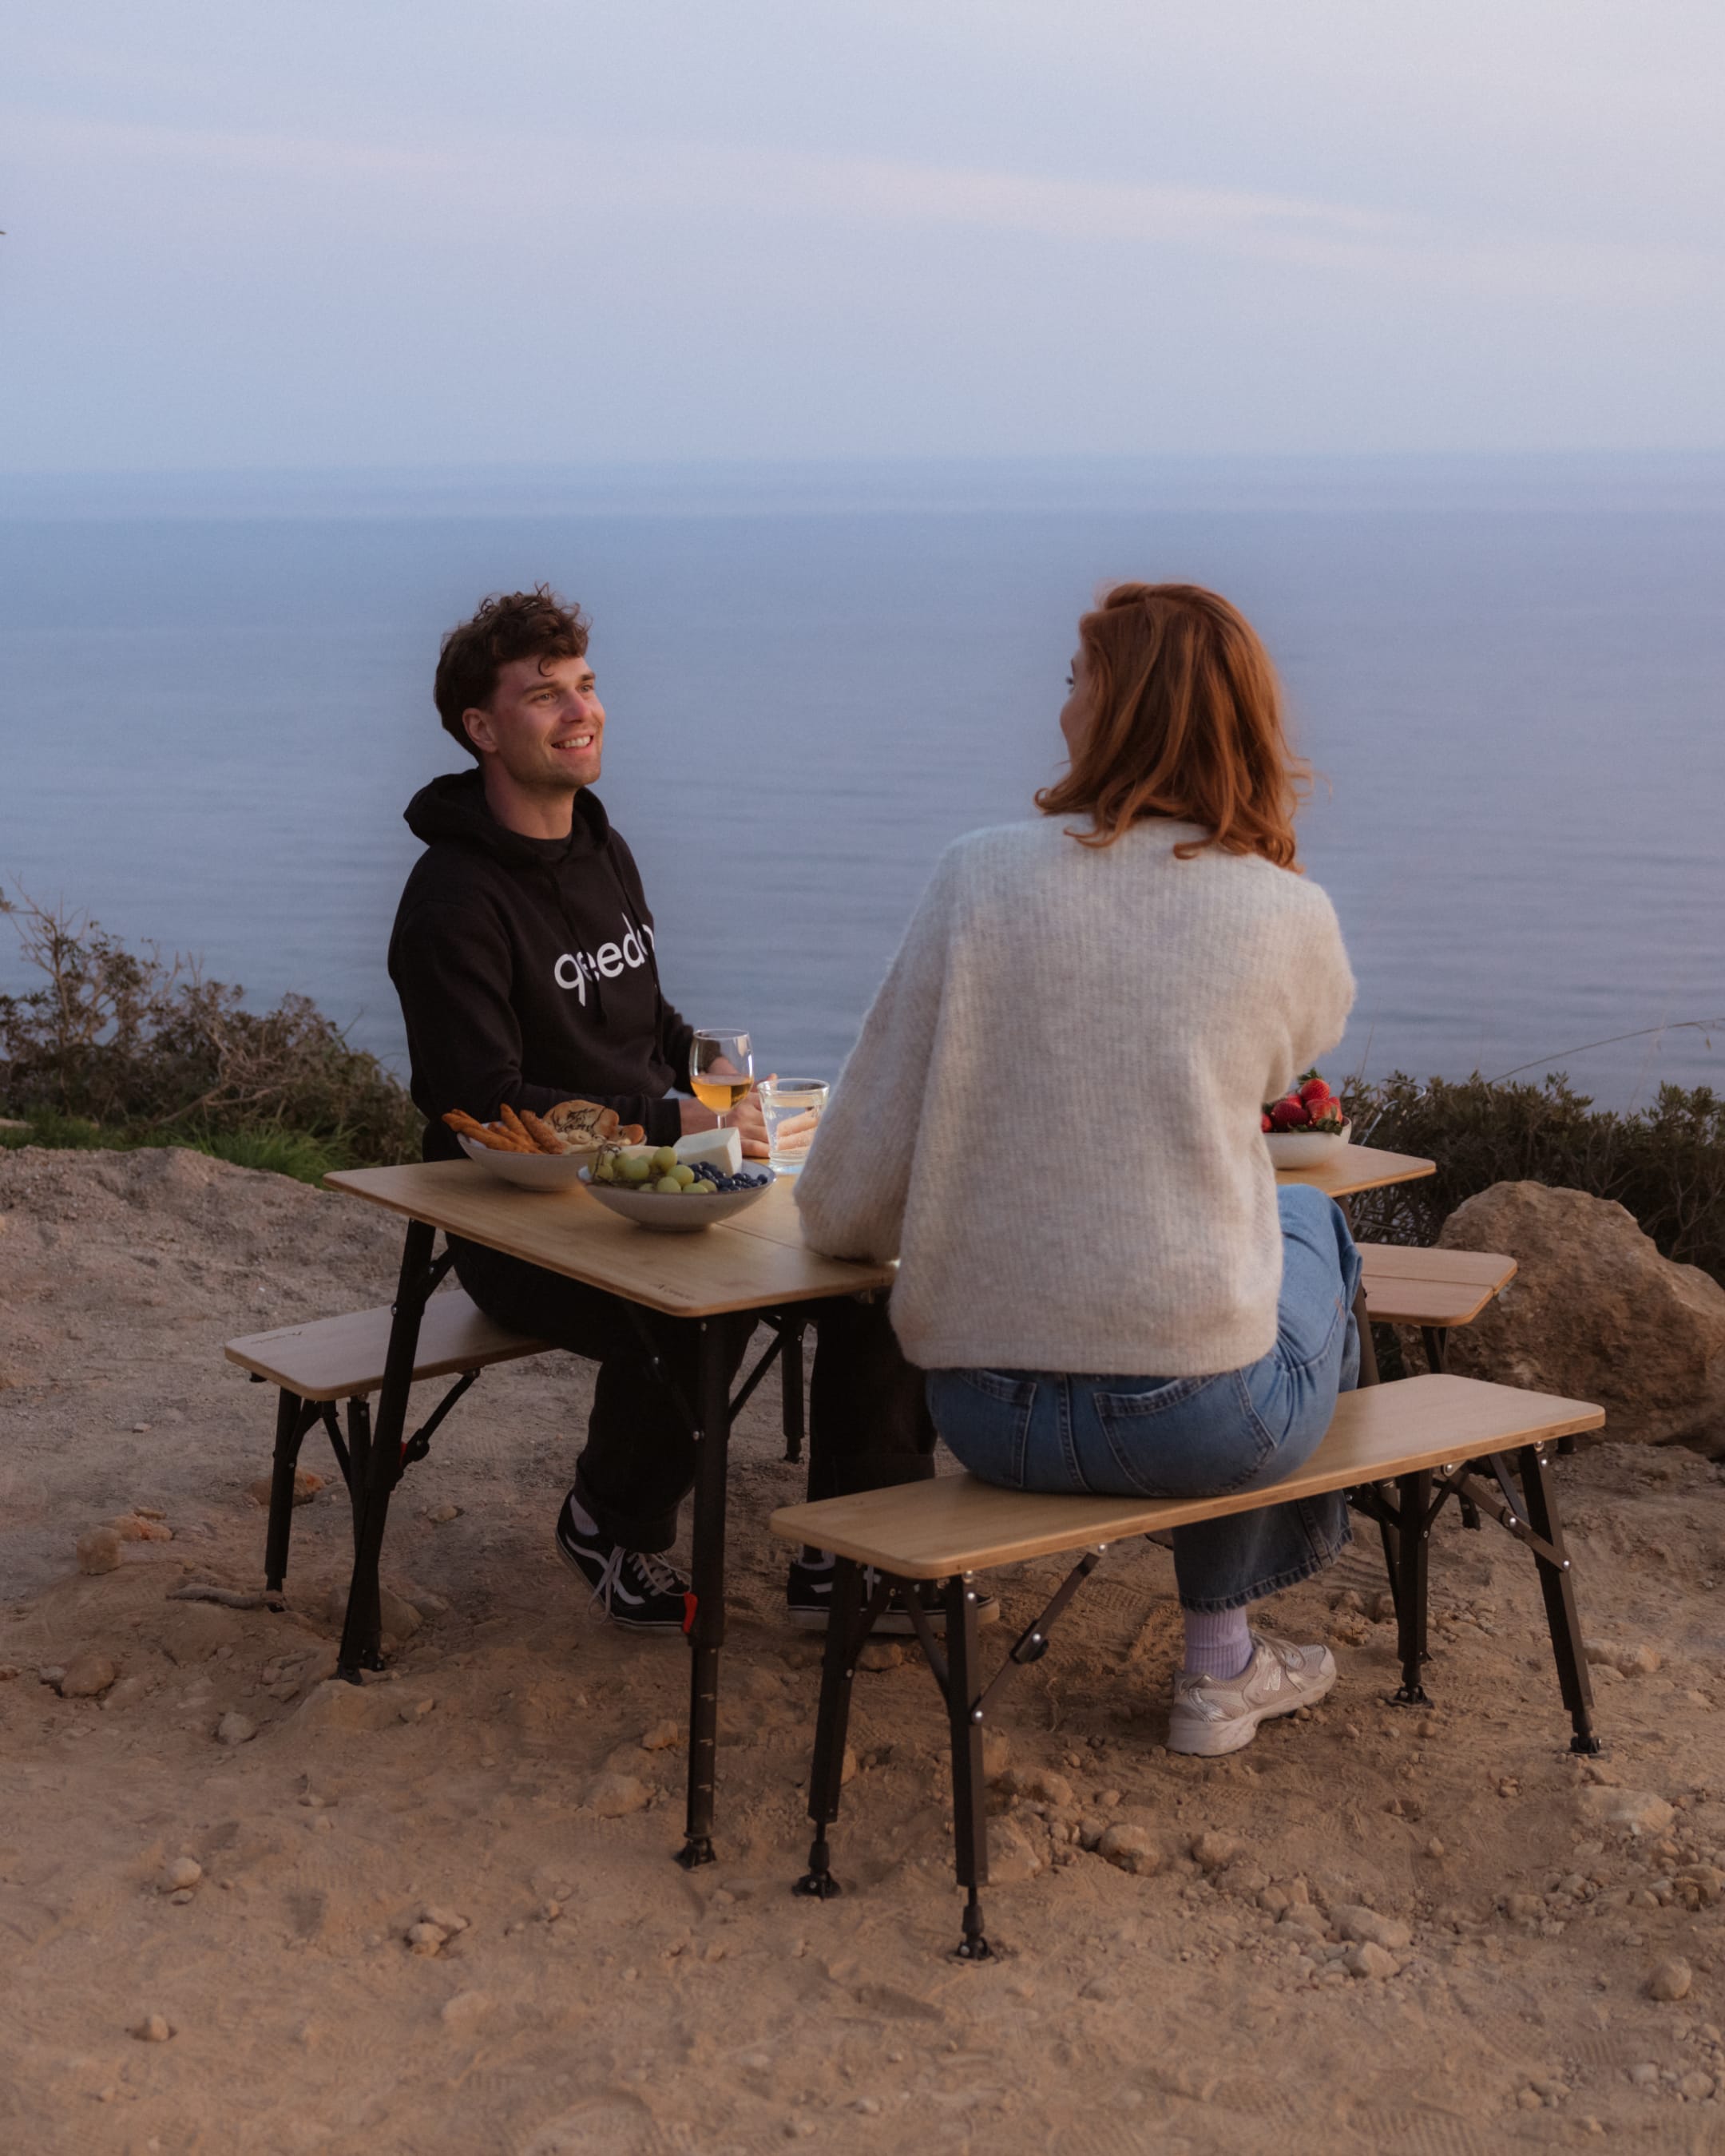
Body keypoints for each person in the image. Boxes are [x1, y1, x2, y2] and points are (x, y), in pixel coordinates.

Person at [794, 581, 1361, 1756]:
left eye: (1075, 682)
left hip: (987, 1413)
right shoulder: (1283, 912)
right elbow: (1300, 1048)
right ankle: (1221, 1661)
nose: (1060, 711)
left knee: (1256, 1254)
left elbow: (852, 1182)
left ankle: (1228, 1653)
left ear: (1121, 712)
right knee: (1308, 1229)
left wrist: (854, 1237)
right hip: (1197, 1424)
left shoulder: (975, 878)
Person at [388, 588, 944, 1634]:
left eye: (586, 685)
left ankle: (852, 1558)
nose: (579, 710)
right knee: (693, 1307)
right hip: (521, 1222)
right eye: (543, 695)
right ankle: (608, 1519)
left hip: (658, 1182)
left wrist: (734, 1092)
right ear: (481, 728)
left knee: (874, 1270)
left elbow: (649, 1014)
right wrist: (669, 1118)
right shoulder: (451, 901)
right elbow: (480, 1097)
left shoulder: (602, 848)